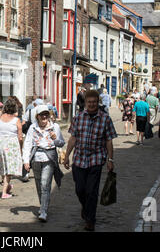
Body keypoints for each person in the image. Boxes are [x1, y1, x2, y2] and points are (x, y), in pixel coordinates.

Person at [64, 90, 117, 231]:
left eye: (94, 102)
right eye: (89, 102)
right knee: (80, 189)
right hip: (79, 159)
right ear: (85, 103)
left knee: (92, 191)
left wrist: (110, 159)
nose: (92, 105)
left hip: (96, 159)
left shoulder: (105, 119)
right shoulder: (78, 118)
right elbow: (73, 138)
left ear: (98, 102)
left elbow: (109, 141)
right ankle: (85, 206)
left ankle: (90, 220)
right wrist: (67, 155)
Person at [23, 105, 65, 222]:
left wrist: (55, 139)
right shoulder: (32, 128)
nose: (45, 116)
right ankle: (43, 205)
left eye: (46, 114)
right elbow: (27, 144)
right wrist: (26, 160)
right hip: (36, 158)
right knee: (38, 184)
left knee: (45, 184)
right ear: (37, 116)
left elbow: (61, 143)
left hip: (49, 158)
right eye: (42, 114)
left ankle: (43, 211)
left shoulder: (54, 127)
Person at [0, 98, 23, 199]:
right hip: (11, 145)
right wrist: (20, 147)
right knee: (9, 169)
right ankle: (4, 192)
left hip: (0, 144)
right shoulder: (16, 120)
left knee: (3, 165)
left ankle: (7, 185)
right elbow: (20, 137)